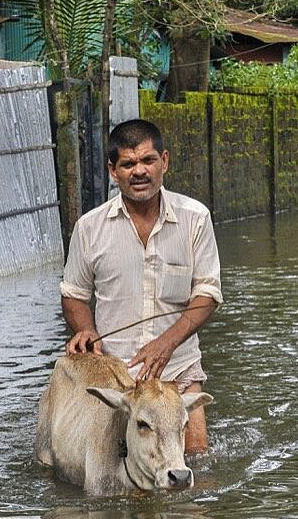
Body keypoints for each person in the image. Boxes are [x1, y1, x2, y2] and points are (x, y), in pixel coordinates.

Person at [59, 119, 223, 455]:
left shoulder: (195, 218)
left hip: (178, 369)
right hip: (114, 379)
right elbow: (74, 295)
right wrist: (86, 330)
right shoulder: (89, 228)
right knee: (110, 478)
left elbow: (207, 294)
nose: (139, 172)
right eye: (128, 164)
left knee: (196, 464)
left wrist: (166, 344)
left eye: (148, 161)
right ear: (113, 171)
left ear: (164, 162)